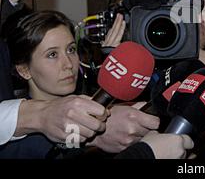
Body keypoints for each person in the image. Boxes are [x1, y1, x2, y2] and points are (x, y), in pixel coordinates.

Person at [0, 11, 161, 158]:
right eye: (52, 54)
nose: (68, 64)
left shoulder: (98, 102)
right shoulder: (15, 142)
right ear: (24, 70)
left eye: (71, 50)